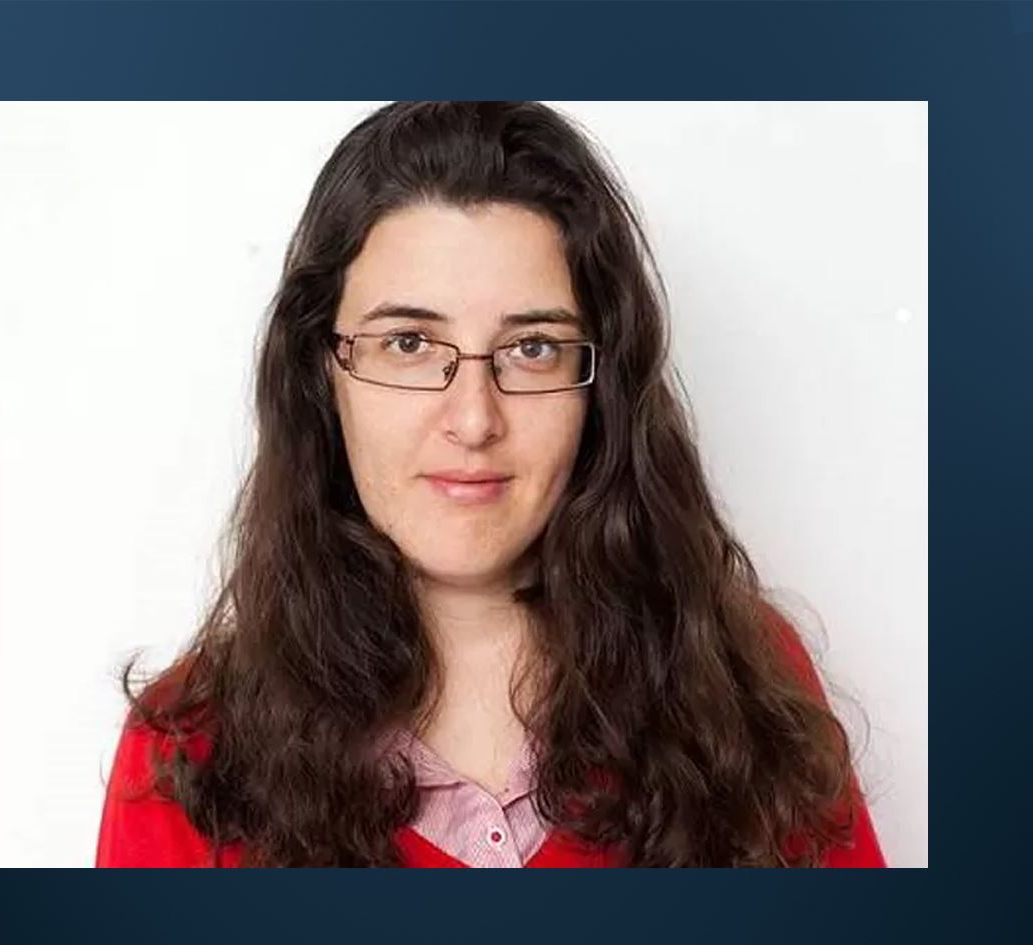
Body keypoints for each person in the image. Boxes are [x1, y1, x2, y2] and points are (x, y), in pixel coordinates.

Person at [96, 101, 885, 868]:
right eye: (409, 342)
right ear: (322, 373)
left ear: (600, 388)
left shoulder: (740, 689)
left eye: (533, 348)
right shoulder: (188, 755)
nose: (474, 420)